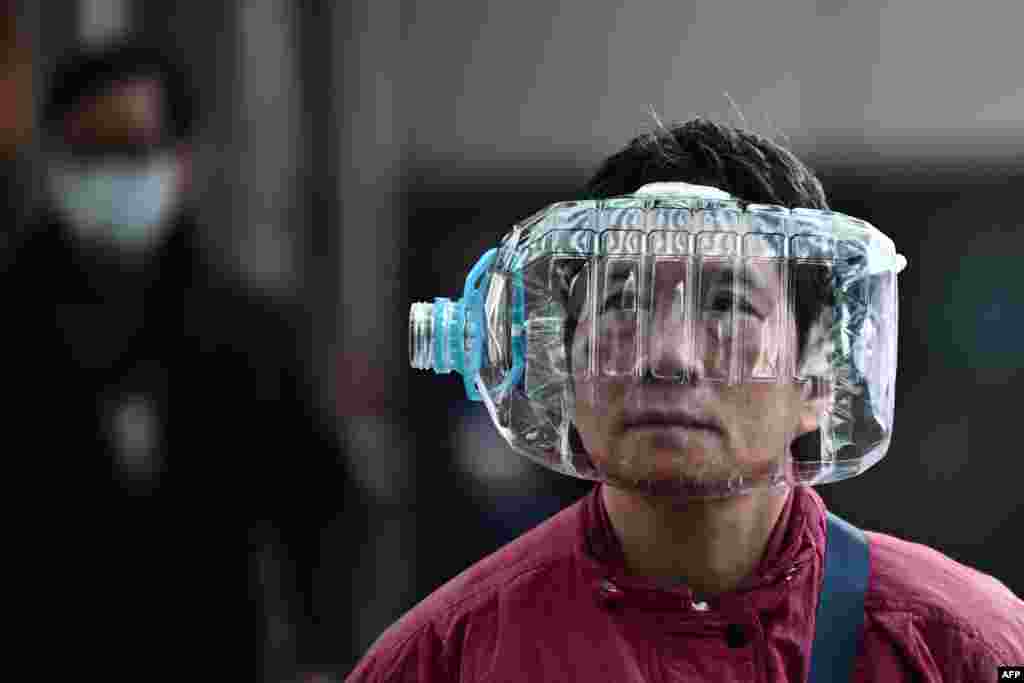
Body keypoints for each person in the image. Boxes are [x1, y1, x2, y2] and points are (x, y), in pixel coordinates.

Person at [349, 117, 1024, 681]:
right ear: (563, 363)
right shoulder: (444, 661)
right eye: (622, 302)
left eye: (728, 304)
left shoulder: (961, 651)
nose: (666, 354)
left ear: (819, 377)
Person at [3, 40, 364, 679]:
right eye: (92, 152)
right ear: (53, 162)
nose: (113, 172)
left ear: (180, 160)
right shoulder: (13, 329)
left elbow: (323, 512)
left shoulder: (249, 335)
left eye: (134, 150)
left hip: (207, 656)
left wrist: (324, 661)